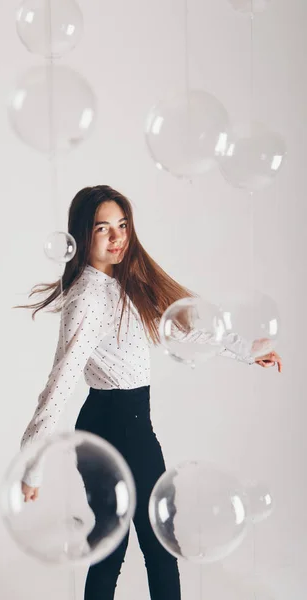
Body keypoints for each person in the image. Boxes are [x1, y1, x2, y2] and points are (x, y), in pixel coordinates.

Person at [18, 185, 282, 600]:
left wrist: (247, 351)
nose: (116, 237)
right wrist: (32, 463)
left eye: (122, 225)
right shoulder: (87, 297)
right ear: (81, 236)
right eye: (103, 228)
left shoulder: (124, 281)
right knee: (142, 546)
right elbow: (60, 382)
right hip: (115, 427)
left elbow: (185, 323)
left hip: (128, 422)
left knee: (136, 542)